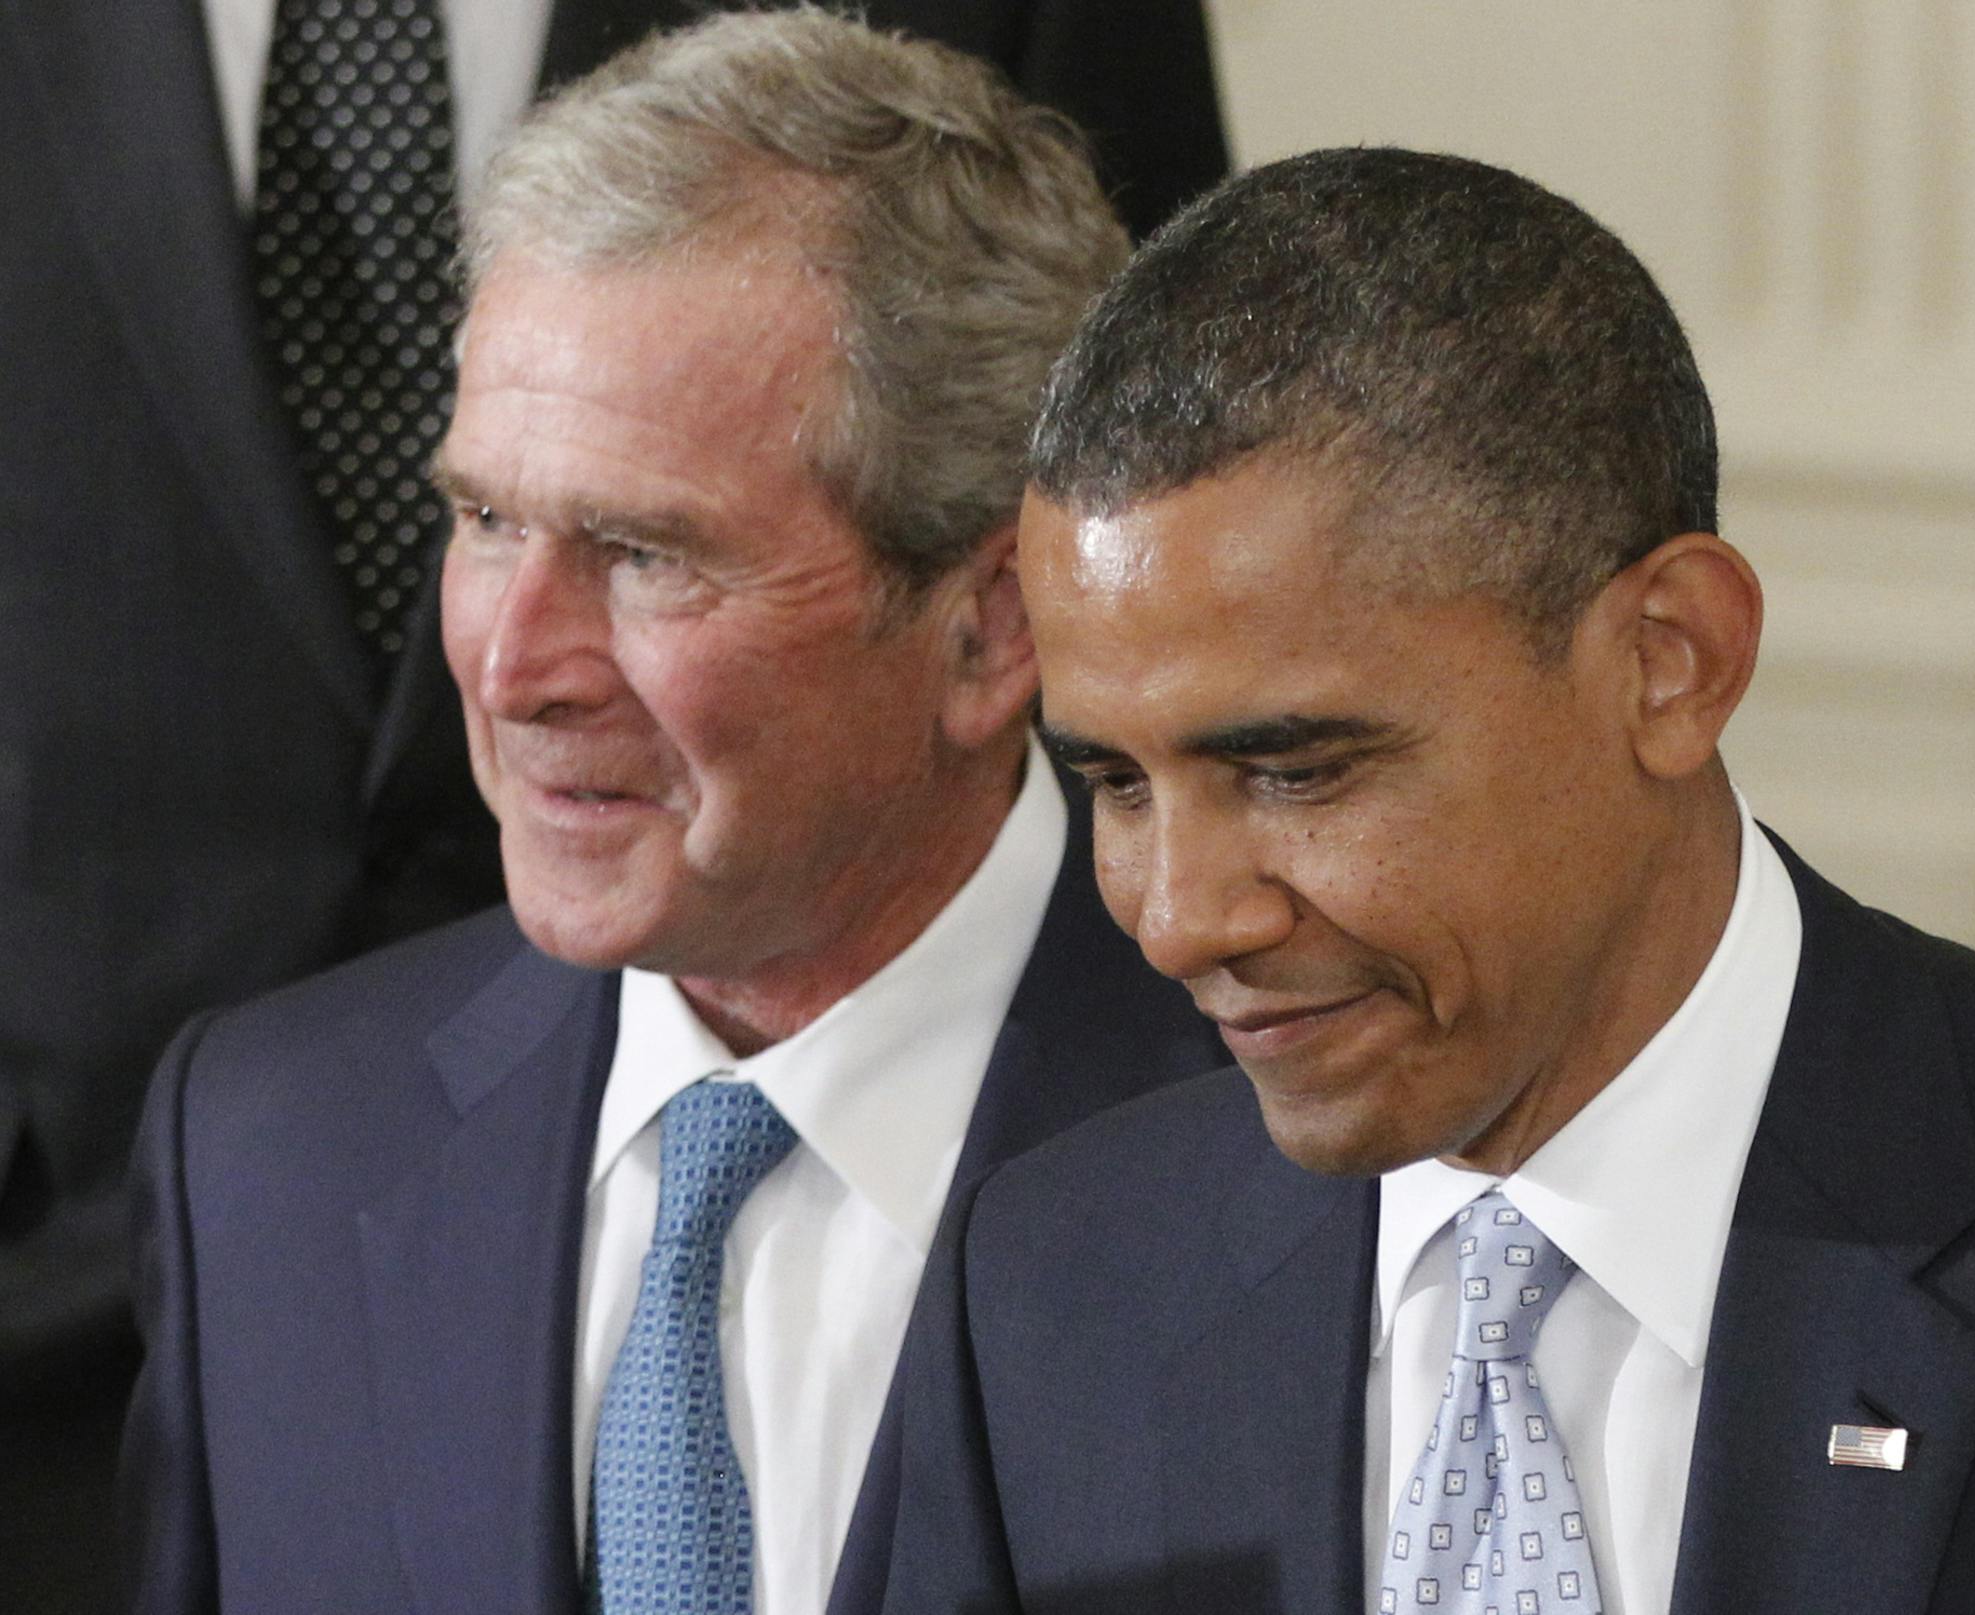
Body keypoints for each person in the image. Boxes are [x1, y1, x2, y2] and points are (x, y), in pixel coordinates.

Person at [3, 2, 1221, 1607]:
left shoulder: (1312, 1152)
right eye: (487, 518)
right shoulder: (267, 1165)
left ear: (993, 623)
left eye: (647, 555)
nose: (510, 668)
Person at [880, 147, 1975, 1615]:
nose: (1180, 920)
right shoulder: (1054, 1285)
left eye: (1296, 772)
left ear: (1669, 662)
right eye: (1112, 783)